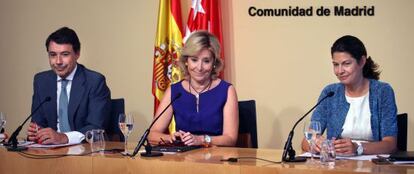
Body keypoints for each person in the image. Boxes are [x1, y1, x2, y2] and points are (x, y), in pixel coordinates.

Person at [302, 35, 398, 155]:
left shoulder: (383, 91)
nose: (339, 71)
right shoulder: (330, 92)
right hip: (337, 166)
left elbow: (390, 145)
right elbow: (306, 141)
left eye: (346, 64)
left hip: (373, 166)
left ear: (362, 61)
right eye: (336, 65)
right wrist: (314, 144)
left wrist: (358, 148)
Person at [148, 31, 239, 147]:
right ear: (186, 61)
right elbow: (152, 135)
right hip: (184, 160)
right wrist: (170, 138)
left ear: (214, 63)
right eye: (194, 60)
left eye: (206, 61)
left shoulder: (227, 90)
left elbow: (230, 139)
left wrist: (201, 140)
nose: (199, 67)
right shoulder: (174, 91)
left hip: (217, 159)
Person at [26, 27, 111, 145]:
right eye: (53, 55)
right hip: (50, 152)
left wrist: (63, 137)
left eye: (65, 54)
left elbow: (96, 127)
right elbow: (38, 123)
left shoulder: (95, 81)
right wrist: (36, 133)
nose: (58, 61)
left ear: (77, 54)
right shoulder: (41, 81)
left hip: (85, 151)